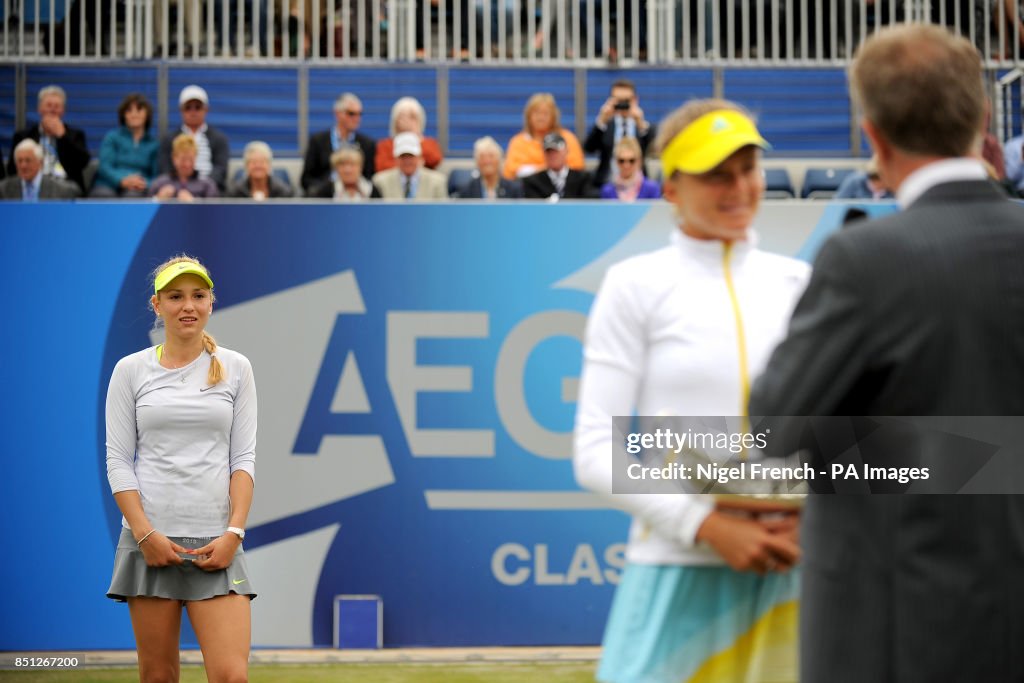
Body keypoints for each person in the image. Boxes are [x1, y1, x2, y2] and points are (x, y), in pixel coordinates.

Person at [749, 24, 1024, 682]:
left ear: (870, 136)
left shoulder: (864, 260)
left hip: (897, 629)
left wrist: (905, 454)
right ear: (983, 119)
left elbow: (774, 427)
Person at [574, 99, 807, 682]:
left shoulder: (799, 283)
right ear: (672, 188)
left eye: (748, 168)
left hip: (794, 570)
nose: (738, 188)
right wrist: (708, 526)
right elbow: (595, 451)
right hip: (678, 567)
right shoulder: (634, 286)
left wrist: (815, 518)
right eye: (715, 174)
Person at [105, 255, 256, 683]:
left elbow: (243, 460)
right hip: (149, 544)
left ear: (211, 303)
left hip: (219, 544)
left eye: (198, 296)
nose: (187, 306)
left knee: (232, 677)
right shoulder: (130, 370)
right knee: (158, 677)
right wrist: (146, 535)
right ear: (157, 305)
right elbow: (119, 461)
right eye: (175, 296)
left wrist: (233, 534)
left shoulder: (237, 367)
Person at [7, 85, 91, 193]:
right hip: (32, 184)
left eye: (57, 106)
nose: (52, 110)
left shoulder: (75, 135)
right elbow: (12, 169)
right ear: (39, 108)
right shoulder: (23, 136)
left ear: (63, 110)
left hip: (65, 185)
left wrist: (62, 136)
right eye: (49, 105)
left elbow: (83, 163)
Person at [584, 79, 656, 188]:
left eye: (626, 100)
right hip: (607, 184)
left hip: (638, 188)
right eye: (618, 100)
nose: (622, 104)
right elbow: (589, 148)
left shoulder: (642, 126)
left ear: (635, 100)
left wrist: (641, 123)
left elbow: (654, 151)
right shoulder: (605, 126)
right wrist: (601, 120)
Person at [159, 85, 230, 192]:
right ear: (181, 110)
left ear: (206, 109)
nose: (193, 112)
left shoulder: (219, 139)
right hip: (176, 194)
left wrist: (201, 187)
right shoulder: (169, 139)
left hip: (208, 194)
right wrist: (181, 187)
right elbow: (165, 169)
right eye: (188, 107)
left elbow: (220, 170)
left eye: (197, 107)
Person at [301, 92, 376, 192]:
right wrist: (326, 191)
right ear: (337, 113)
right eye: (351, 113)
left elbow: (369, 178)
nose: (356, 118)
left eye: (359, 114)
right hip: (325, 200)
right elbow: (306, 179)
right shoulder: (318, 141)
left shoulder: (367, 144)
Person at [91, 93, 160, 199]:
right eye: (129, 110)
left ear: (147, 114)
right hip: (107, 185)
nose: (134, 114)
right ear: (123, 115)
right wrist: (122, 180)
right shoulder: (112, 137)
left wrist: (145, 184)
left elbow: (156, 176)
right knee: (104, 196)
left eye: (139, 109)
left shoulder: (154, 144)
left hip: (137, 188)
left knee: (133, 197)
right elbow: (104, 167)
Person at [503, 93, 585, 180]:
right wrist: (548, 170)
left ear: (553, 116)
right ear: (528, 116)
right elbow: (510, 172)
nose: (541, 118)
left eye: (545, 113)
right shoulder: (518, 142)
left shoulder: (567, 139)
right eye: (536, 113)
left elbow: (577, 167)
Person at [374, 97, 444, 172]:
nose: (407, 121)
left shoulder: (429, 143)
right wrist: (414, 165)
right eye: (403, 116)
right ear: (395, 120)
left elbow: (435, 159)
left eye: (412, 117)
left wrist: (415, 136)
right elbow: (382, 166)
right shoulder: (386, 145)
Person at [372, 132, 448, 200]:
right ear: (396, 159)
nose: (407, 161)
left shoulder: (437, 182)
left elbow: (442, 211)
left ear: (419, 157)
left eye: (411, 156)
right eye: (403, 156)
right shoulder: (380, 181)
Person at [0, 139, 81, 200]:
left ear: (40, 163)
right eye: (19, 161)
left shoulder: (60, 189)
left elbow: (77, 191)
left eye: (28, 160)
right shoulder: (3, 189)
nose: (23, 166)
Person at [522, 133, 594, 200]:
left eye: (556, 151)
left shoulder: (583, 179)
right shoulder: (533, 182)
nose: (552, 156)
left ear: (566, 151)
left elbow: (588, 205)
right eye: (548, 152)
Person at [150, 134, 220, 201]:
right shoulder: (160, 184)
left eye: (191, 160)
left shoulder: (207, 185)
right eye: (183, 160)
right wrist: (158, 199)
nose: (187, 164)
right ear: (174, 158)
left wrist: (194, 203)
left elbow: (213, 211)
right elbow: (145, 208)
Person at [456, 136, 523, 199]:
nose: (487, 161)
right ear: (477, 162)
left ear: (499, 160)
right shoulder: (467, 190)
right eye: (482, 157)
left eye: (491, 156)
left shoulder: (513, 189)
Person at [599, 137, 661, 201]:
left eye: (631, 161)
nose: (626, 165)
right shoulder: (607, 191)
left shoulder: (652, 189)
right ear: (616, 162)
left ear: (639, 161)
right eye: (622, 161)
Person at [227, 141, 295, 200]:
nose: (258, 166)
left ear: (269, 165)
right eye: (253, 162)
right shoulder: (235, 193)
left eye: (262, 162)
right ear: (246, 166)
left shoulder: (284, 192)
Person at [310, 147, 382, 200]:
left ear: (361, 167)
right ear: (335, 168)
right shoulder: (325, 191)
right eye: (342, 165)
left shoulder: (372, 190)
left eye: (352, 164)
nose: (347, 170)